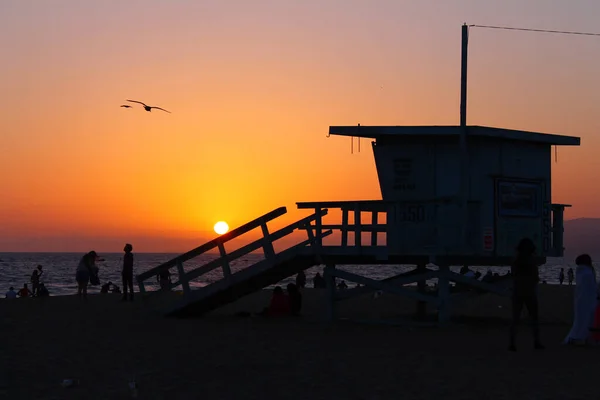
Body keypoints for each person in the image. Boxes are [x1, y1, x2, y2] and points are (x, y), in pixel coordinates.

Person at [508, 238, 544, 351]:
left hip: (517, 291)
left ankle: (512, 343)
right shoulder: (532, 262)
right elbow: (535, 278)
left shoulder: (516, 261)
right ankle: (536, 342)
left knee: (515, 318)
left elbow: (514, 276)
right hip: (529, 292)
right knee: (534, 318)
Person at [564, 254, 597, 345]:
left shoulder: (581, 272)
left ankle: (578, 337)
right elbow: (592, 287)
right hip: (588, 300)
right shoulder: (587, 272)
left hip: (580, 300)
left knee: (580, 320)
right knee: (588, 319)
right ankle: (582, 338)